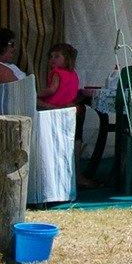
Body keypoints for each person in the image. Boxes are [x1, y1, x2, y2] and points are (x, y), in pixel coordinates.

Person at [29, 42, 82, 206]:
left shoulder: (56, 73)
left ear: (66, 59)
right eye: (51, 57)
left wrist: (35, 92)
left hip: (52, 109)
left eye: (56, 56)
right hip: (67, 109)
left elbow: (51, 90)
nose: (52, 60)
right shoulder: (73, 74)